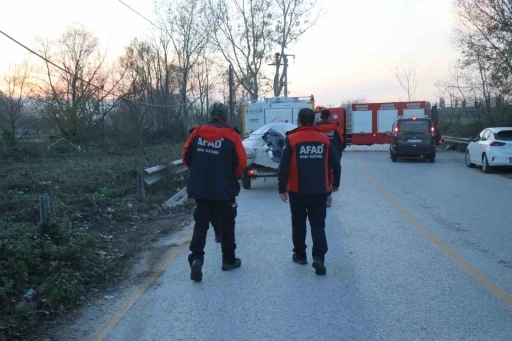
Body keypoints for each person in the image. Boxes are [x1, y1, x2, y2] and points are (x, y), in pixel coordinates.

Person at [182, 102, 247, 282]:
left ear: (210, 114)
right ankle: (229, 260)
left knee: (200, 224)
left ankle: (196, 258)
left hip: (201, 188)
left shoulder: (197, 132)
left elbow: (186, 156)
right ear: (225, 116)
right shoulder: (232, 135)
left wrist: (197, 173)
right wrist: (230, 176)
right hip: (224, 189)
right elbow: (241, 162)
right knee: (227, 224)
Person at [278, 108, 341, 275]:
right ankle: (318, 257)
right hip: (320, 190)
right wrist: (335, 183)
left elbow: (283, 166)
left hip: (297, 191)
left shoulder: (291, 139)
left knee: (298, 224)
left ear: (298, 121)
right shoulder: (324, 140)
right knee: (318, 224)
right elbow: (336, 164)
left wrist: (281, 188)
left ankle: (300, 256)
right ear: (313, 121)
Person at [315, 109, 344, 207]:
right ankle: (328, 195)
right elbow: (342, 140)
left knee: (320, 174)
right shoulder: (335, 127)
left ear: (320, 116)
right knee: (331, 174)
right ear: (329, 116)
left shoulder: (316, 128)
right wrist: (338, 150)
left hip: (319, 154)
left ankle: (320, 194)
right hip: (334, 154)